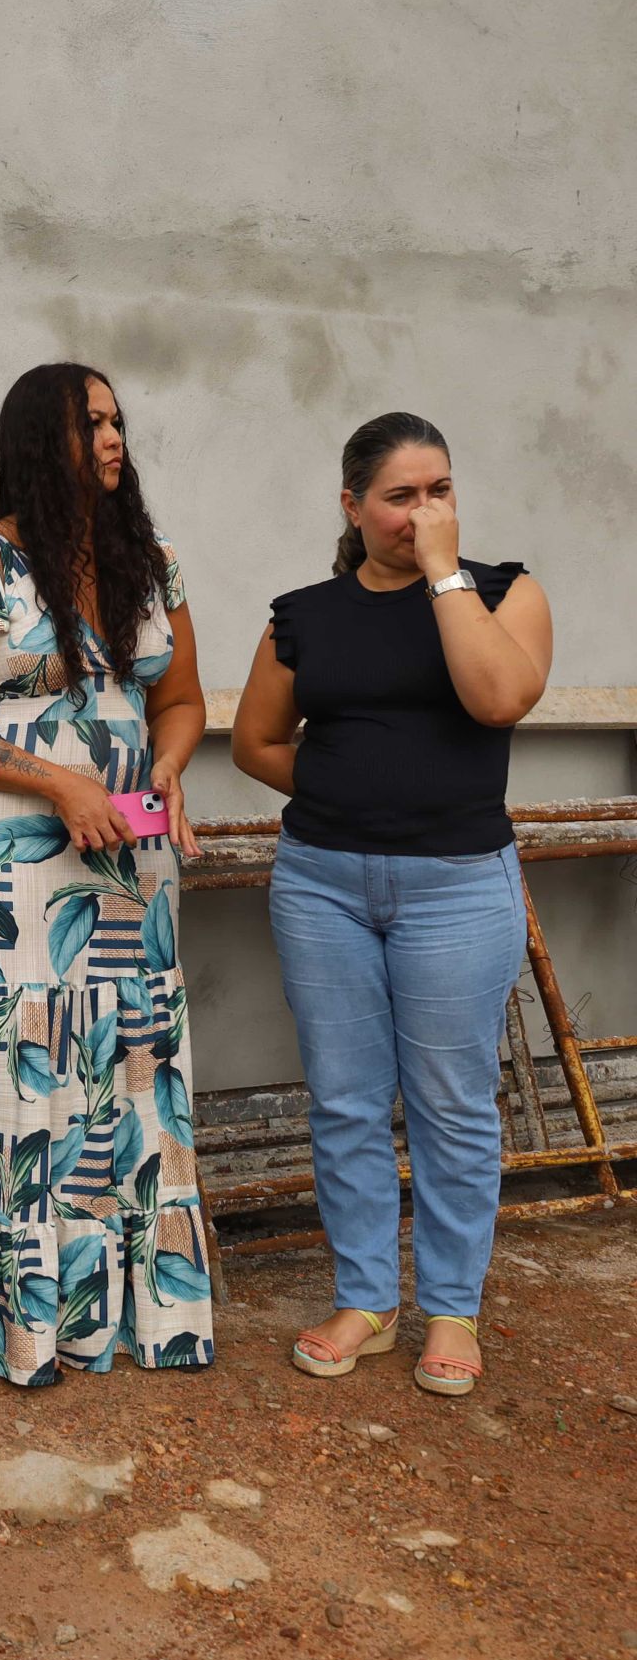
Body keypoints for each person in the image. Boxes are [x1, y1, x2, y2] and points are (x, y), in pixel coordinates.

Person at [0, 362, 214, 1386]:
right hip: (10, 863)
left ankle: (132, 1311)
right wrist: (59, 783)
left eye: (118, 421)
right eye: (91, 424)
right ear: (42, 441)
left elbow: (181, 701)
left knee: (129, 1054)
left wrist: (167, 767)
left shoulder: (152, 563)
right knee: (22, 1056)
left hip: (128, 855)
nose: (114, 439)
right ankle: (21, 1320)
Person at [233, 413, 548, 1398]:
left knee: (451, 1102)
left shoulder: (505, 592)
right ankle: (365, 1299)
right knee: (345, 1098)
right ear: (352, 507)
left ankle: (450, 1309)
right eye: (399, 495)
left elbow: (499, 699)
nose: (423, 511)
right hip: (322, 882)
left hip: (456, 886)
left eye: (438, 490)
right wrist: (348, 790)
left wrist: (446, 576)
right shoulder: (303, 615)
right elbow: (255, 741)